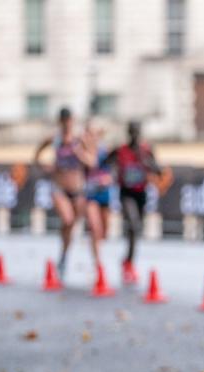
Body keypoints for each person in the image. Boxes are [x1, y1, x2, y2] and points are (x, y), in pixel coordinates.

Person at [34, 107, 97, 277]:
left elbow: (92, 162)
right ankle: (63, 254)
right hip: (59, 188)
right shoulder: (55, 139)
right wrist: (44, 166)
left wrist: (80, 154)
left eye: (69, 120)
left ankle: (63, 254)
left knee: (71, 226)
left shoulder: (79, 140)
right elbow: (37, 154)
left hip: (77, 189)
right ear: (60, 121)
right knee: (68, 220)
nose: (67, 124)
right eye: (64, 120)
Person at [105, 121, 160, 284]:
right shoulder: (120, 150)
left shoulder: (146, 151)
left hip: (141, 193)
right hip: (126, 193)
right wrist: (113, 173)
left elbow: (158, 169)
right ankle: (129, 263)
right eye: (132, 132)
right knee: (133, 224)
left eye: (137, 132)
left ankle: (128, 261)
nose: (135, 135)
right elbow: (106, 163)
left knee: (136, 230)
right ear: (129, 133)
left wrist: (148, 164)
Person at [81, 121, 112, 270]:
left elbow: (112, 169)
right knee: (95, 227)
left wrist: (108, 179)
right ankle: (97, 261)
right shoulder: (80, 151)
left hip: (104, 193)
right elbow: (91, 163)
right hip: (90, 194)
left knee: (104, 231)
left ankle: (97, 249)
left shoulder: (104, 150)